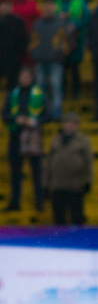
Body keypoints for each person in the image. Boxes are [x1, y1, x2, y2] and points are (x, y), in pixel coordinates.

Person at [2, 67, 46, 212]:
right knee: (15, 172)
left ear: (31, 78)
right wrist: (16, 119)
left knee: (37, 172)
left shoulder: (39, 94)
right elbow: (5, 115)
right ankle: (15, 202)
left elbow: (48, 114)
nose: (25, 79)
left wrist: (34, 121)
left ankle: (39, 202)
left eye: (28, 76)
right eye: (23, 76)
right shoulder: (12, 94)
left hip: (33, 137)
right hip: (16, 136)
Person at [42, 112, 92, 225]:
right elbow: (49, 163)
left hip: (75, 185)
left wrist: (88, 180)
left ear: (77, 125)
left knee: (77, 215)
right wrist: (46, 183)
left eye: (72, 123)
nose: (69, 125)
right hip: (57, 184)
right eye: (67, 123)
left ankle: (78, 240)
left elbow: (88, 162)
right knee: (58, 216)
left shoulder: (83, 140)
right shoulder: (56, 139)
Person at [30, 0, 66, 120]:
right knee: (40, 88)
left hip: (55, 61)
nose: (48, 8)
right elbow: (32, 41)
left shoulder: (60, 23)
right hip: (40, 61)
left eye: (51, 6)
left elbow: (67, 41)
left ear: (54, 7)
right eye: (46, 6)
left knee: (56, 86)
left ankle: (56, 112)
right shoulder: (37, 24)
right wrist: (35, 54)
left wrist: (60, 53)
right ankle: (41, 111)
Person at [56, 0, 89, 100]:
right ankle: (63, 93)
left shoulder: (80, 1)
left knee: (75, 68)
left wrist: (76, 25)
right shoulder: (56, 1)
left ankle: (76, 93)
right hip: (60, 41)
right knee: (62, 69)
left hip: (76, 41)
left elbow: (87, 18)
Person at [0, 0, 28, 91]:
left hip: (13, 62)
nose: (4, 7)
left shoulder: (18, 22)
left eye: (7, 5)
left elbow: (23, 42)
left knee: (12, 90)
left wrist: (17, 59)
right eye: (2, 5)